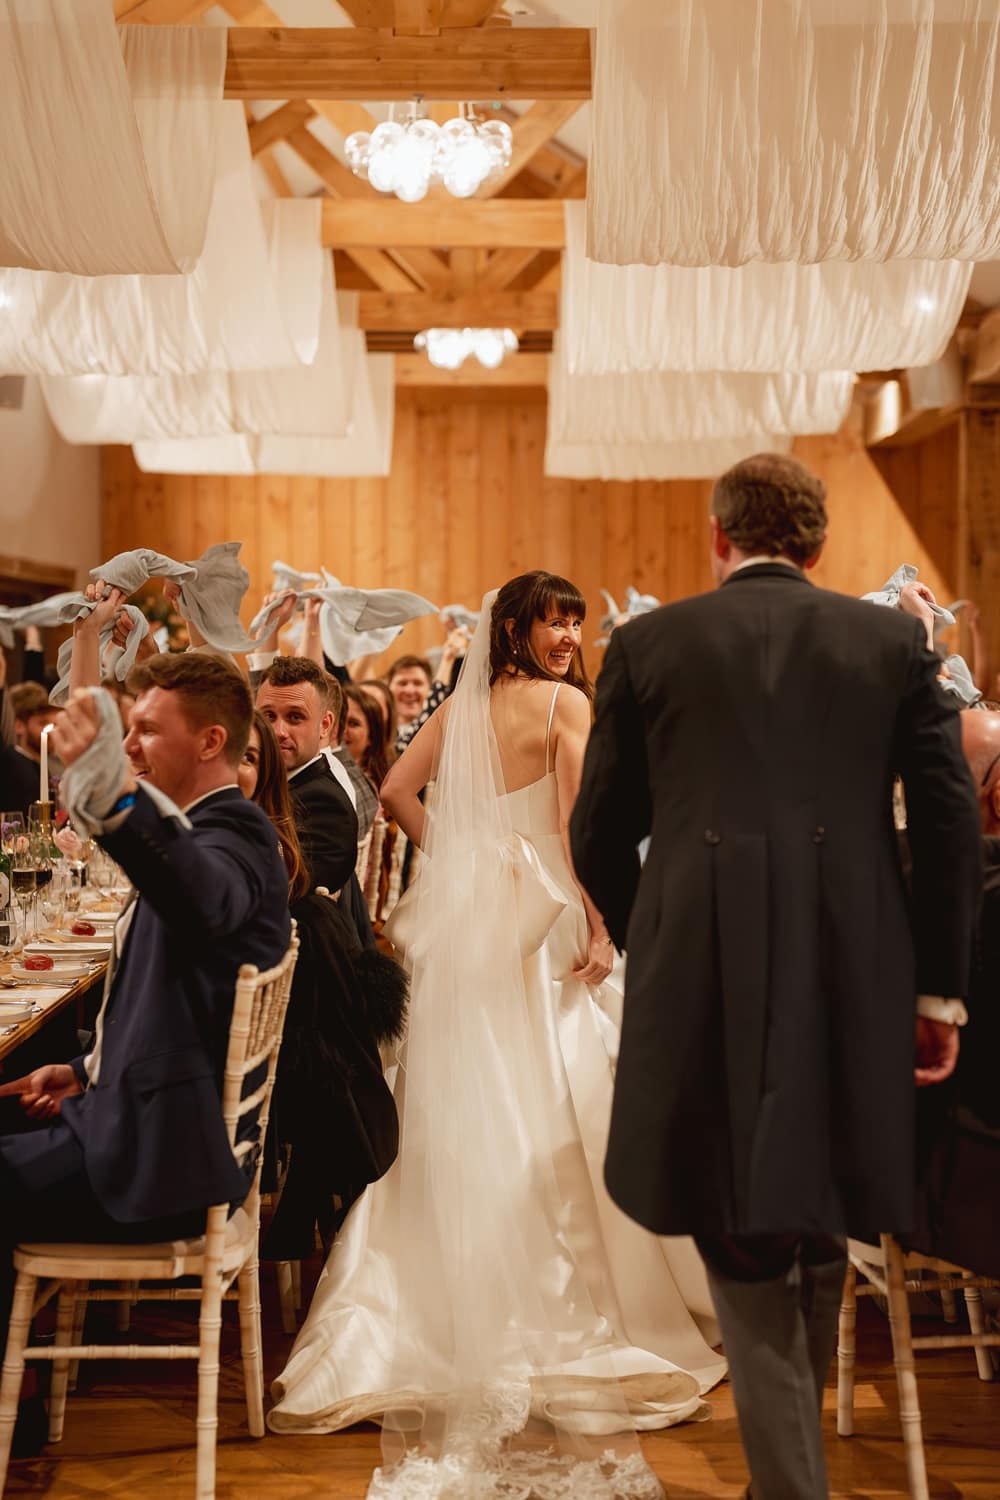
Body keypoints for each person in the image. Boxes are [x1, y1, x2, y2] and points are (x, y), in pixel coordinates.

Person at [570, 453, 983, 1500]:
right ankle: (787, 1482)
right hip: (858, 974)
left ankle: (789, 1490)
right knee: (800, 1218)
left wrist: (658, 932)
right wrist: (937, 990)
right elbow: (947, 826)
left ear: (718, 537)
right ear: (819, 546)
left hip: (703, 971)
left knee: (755, 1228)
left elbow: (597, 831)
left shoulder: (650, 643)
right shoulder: (894, 642)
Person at [268, 571, 726, 1499]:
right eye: (553, 621)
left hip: (482, 927)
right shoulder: (565, 705)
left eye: (575, 622)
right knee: (565, 1091)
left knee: (476, 1095)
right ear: (514, 627)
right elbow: (579, 826)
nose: (567, 637)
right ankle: (578, 1302)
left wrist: (468, 863)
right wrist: (599, 922)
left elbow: (397, 790)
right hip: (549, 920)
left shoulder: (463, 706)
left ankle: (434, 1307)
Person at [0, 653, 291, 1448]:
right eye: (126, 733)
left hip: (159, 1158)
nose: (130, 746)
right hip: (146, 1118)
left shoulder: (237, 838)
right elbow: (173, 995)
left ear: (210, 742)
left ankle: (18, 1408)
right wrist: (83, 1069)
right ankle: (20, 1394)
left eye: (146, 731)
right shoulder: (212, 831)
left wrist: (119, 798)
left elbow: (202, 899)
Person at [256, 656, 358, 898]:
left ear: (325, 725)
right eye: (268, 716)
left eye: (295, 717)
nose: (278, 732)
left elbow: (270, 891)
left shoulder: (326, 804)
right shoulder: (262, 776)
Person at [0, 683, 61, 815]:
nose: (52, 732)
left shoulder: (40, 765)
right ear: (19, 726)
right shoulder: (10, 765)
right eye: (43, 723)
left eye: (55, 724)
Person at [343, 685, 393, 796]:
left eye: (353, 723)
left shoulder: (373, 788)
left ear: (371, 737)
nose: (342, 729)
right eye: (339, 720)